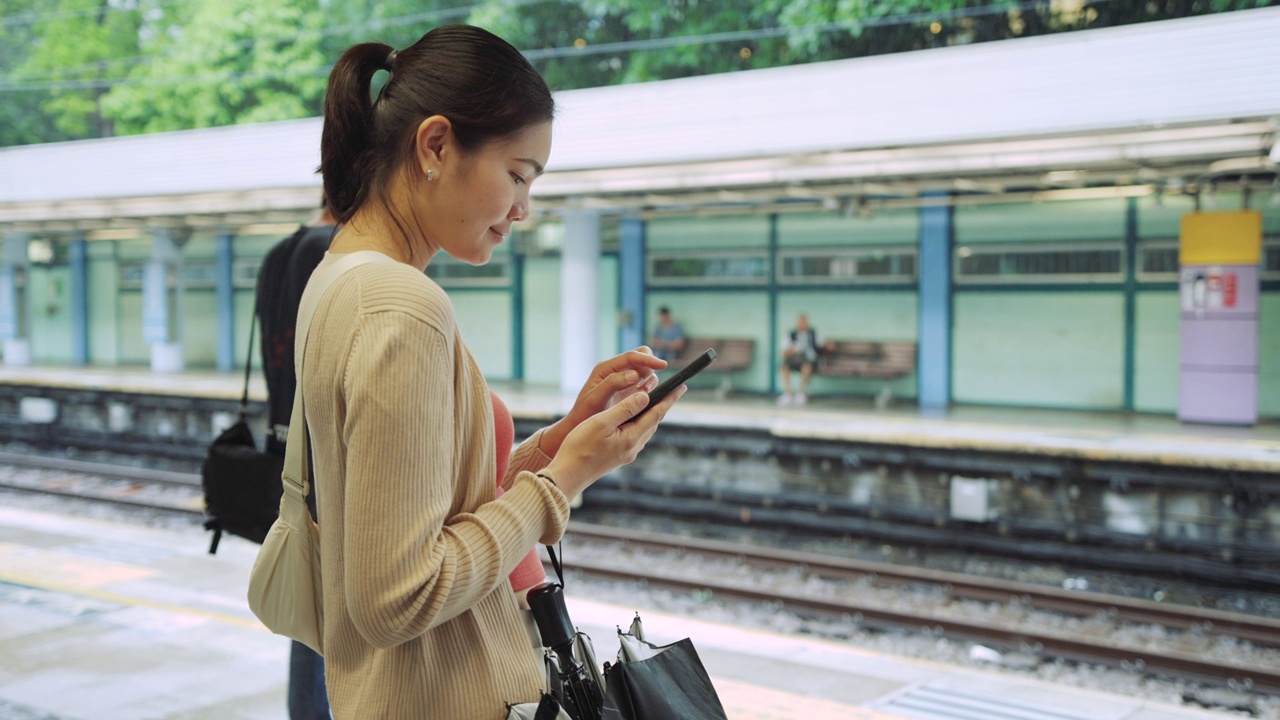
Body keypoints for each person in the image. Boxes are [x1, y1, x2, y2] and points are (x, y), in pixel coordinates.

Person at [302, 25, 683, 719]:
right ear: (436, 145)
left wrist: (566, 438)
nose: (522, 211)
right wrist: (562, 482)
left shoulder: (339, 277)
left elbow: (424, 504)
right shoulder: (404, 308)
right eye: (516, 175)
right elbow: (398, 596)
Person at [255, 199, 336, 720]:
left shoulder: (276, 253)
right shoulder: (331, 253)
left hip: (286, 451)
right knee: (325, 622)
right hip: (323, 459)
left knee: (306, 608)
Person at [778, 313, 831, 406]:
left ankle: (800, 393)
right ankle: (788, 393)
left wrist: (828, 346)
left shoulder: (813, 334)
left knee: (807, 366)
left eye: (804, 322)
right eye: (800, 322)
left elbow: (822, 346)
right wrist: (791, 350)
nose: (802, 324)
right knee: (784, 366)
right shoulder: (791, 335)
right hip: (795, 358)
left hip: (809, 359)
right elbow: (783, 352)